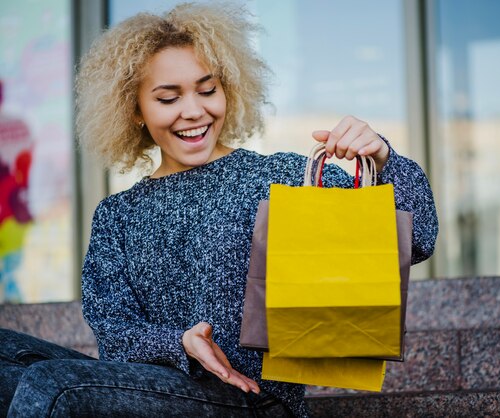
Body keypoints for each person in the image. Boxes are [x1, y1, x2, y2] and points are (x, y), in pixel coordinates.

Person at [0, 3, 438, 417]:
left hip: (255, 398)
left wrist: (383, 158)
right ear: (134, 110)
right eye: (168, 99)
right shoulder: (116, 214)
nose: (194, 111)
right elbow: (114, 332)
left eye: (207, 90)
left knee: (54, 384)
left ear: (228, 89)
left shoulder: (282, 177)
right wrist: (180, 342)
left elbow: (415, 241)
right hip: (154, 387)